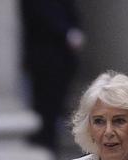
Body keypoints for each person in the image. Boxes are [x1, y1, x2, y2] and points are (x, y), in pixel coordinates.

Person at [20, 0, 85, 152]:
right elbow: (41, 16)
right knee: (45, 104)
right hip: (45, 56)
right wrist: (67, 33)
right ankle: (45, 143)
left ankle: (49, 141)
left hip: (62, 58)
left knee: (55, 104)